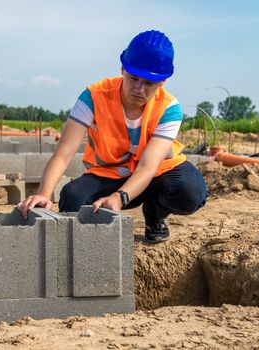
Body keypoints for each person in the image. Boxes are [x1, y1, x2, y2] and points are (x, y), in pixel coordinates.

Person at [18, 29, 207, 244]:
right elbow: (64, 153)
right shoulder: (93, 97)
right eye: (133, 78)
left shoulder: (169, 109)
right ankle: (87, 245)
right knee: (72, 197)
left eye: (148, 83)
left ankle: (155, 213)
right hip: (111, 173)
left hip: (156, 175)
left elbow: (148, 166)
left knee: (191, 192)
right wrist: (44, 193)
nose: (139, 88)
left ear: (162, 82)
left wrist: (119, 197)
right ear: (122, 69)